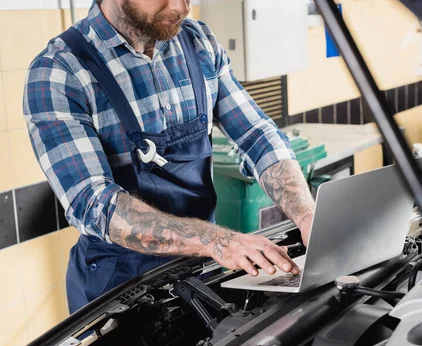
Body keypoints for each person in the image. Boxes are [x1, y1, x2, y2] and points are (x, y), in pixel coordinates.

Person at [23, 0, 315, 314]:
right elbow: (95, 204)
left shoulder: (197, 42)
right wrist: (218, 241)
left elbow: (256, 134)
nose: (181, 6)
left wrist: (307, 214)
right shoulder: (60, 70)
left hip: (199, 273)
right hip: (119, 290)